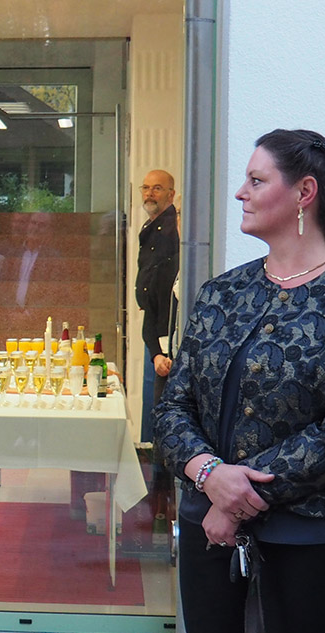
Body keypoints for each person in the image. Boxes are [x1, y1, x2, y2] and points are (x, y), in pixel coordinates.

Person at [156, 129, 325, 633]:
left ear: (303, 193)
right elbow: (172, 407)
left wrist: (238, 497)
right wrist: (206, 475)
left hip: (317, 541)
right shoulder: (221, 294)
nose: (240, 192)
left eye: (256, 180)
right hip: (211, 540)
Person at [135, 169, 180, 438]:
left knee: (158, 411)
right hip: (153, 327)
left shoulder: (170, 230)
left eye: (158, 188)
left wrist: (161, 350)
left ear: (171, 194)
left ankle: (155, 476)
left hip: (165, 332)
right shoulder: (152, 226)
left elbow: (164, 290)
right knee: (150, 404)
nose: (150, 193)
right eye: (146, 187)